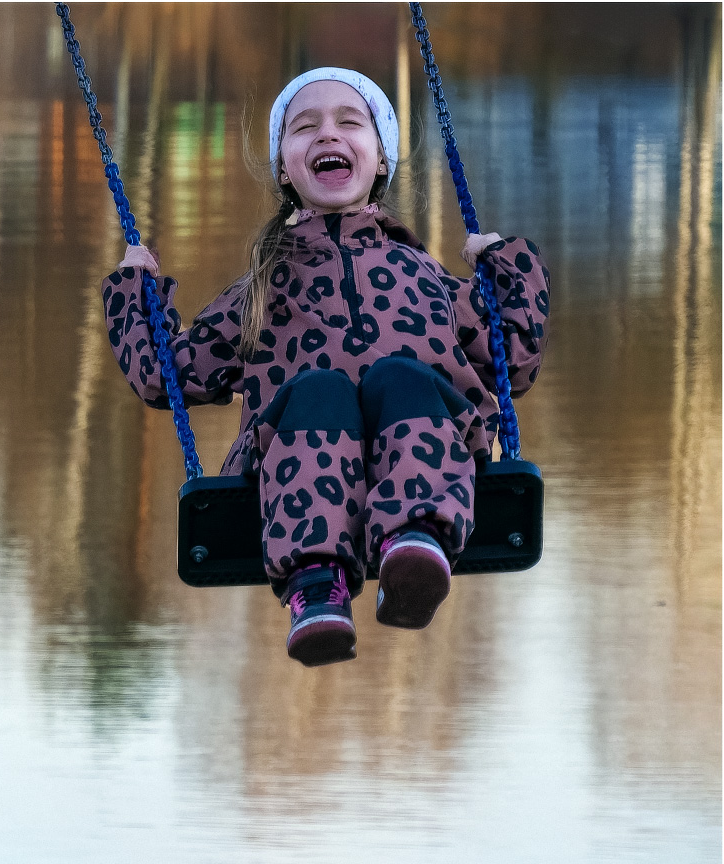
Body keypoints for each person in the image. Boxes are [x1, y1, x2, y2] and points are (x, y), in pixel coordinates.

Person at [102, 68, 549, 666]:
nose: (326, 135)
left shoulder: (430, 280)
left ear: (381, 158)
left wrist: (505, 266)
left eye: (349, 122)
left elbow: (512, 358)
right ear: (284, 168)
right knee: (317, 392)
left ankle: (414, 545)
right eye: (303, 127)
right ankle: (317, 590)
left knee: (405, 379)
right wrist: (136, 290)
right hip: (297, 473)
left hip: (429, 456)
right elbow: (168, 376)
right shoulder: (259, 291)